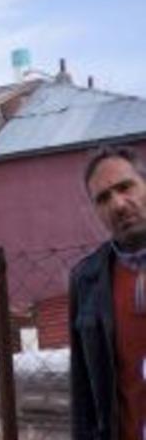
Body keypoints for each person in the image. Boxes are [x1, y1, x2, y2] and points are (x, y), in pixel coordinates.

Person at [71, 145, 146, 440]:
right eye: (103, 198)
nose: (118, 204)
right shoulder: (87, 280)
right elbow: (84, 392)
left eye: (125, 187)